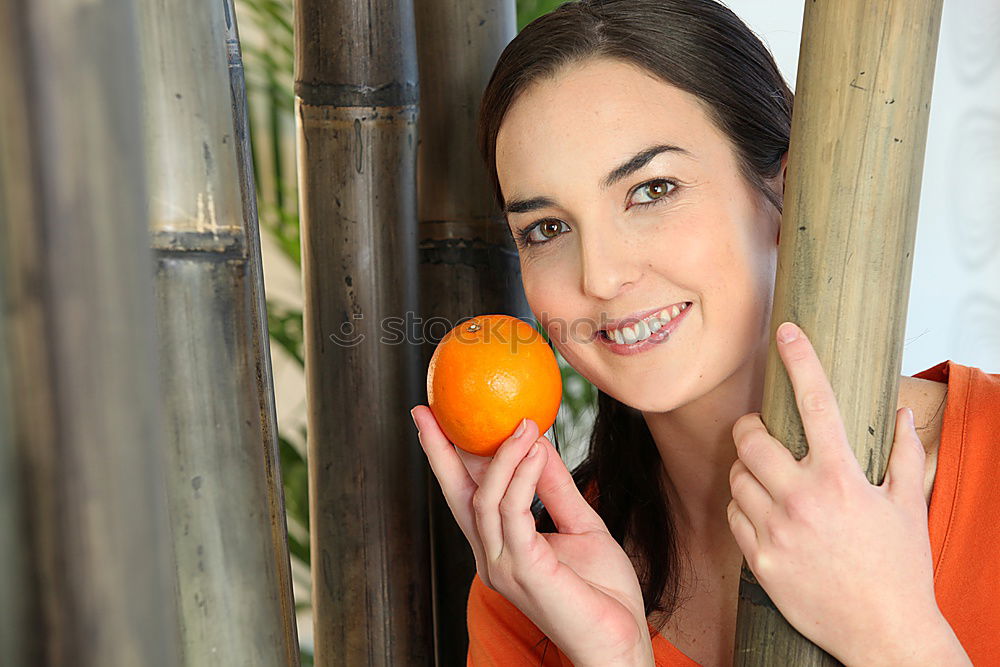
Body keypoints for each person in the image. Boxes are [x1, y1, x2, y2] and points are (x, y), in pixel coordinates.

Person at [410, 1, 998, 664]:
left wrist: (889, 628)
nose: (601, 277)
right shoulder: (536, 587)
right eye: (547, 229)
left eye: (652, 189)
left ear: (787, 185)